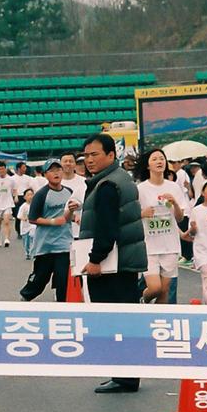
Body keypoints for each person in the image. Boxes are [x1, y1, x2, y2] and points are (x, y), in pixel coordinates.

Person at [77, 133, 146, 394]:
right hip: (125, 262)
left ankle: (124, 376)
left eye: (95, 154)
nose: (89, 160)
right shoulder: (119, 179)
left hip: (114, 265)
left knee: (114, 322)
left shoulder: (107, 185)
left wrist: (95, 260)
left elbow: (107, 229)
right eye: (86, 155)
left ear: (110, 155)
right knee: (124, 320)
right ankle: (126, 374)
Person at [20, 160, 79, 301]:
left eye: (58, 170)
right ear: (46, 174)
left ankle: (61, 307)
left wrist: (73, 216)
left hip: (64, 244)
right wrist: (53, 221)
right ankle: (24, 299)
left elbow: (66, 215)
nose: (56, 173)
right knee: (39, 280)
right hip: (46, 246)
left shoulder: (68, 192)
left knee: (64, 280)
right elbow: (32, 218)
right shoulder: (41, 195)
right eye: (52, 171)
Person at [134, 148, 186, 304]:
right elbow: (131, 215)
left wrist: (175, 203)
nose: (159, 161)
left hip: (170, 245)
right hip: (149, 246)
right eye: (155, 159)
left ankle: (157, 322)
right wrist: (142, 213)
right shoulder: (140, 189)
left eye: (162, 158)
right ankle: (142, 301)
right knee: (155, 288)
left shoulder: (173, 187)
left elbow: (180, 218)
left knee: (164, 292)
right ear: (148, 165)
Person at [16, 187, 35, 259]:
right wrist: (24, 218)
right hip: (25, 227)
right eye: (28, 195)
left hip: (33, 226)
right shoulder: (23, 206)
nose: (30, 196)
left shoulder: (35, 205)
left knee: (32, 238)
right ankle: (27, 252)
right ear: (24, 197)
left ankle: (32, 252)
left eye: (31, 194)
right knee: (26, 241)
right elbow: (19, 216)